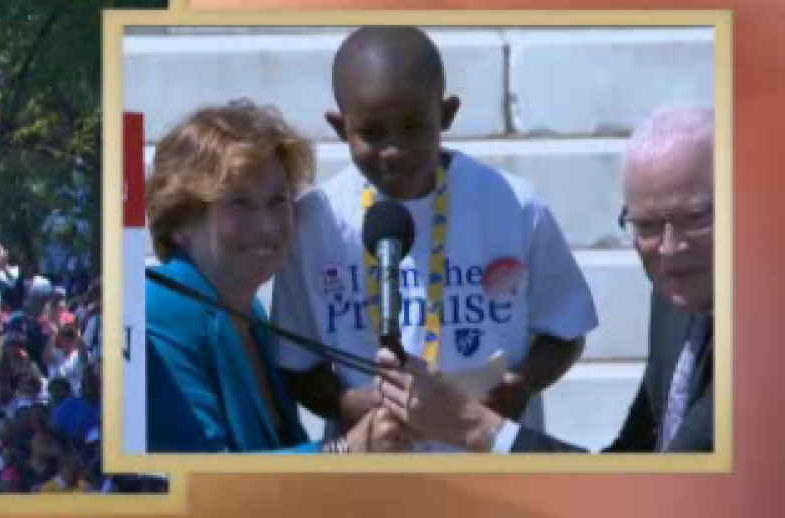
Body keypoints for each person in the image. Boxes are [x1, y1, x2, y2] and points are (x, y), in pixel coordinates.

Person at [273, 26, 598, 452]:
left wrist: (522, 384)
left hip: (489, 469)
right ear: (339, 127)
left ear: (446, 114)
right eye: (371, 132)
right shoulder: (316, 223)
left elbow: (566, 330)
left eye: (413, 127)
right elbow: (296, 365)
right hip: (377, 477)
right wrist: (349, 402)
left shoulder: (513, 206)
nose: (394, 150)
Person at [377, 107, 716, 454]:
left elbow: (676, 473)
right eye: (647, 224)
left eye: (696, 217)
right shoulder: (675, 295)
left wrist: (471, 424)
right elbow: (633, 456)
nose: (670, 248)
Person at [144, 101, 400, 453]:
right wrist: (349, 450)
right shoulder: (157, 309)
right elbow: (201, 474)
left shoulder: (252, 315)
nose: (267, 227)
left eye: (278, 200)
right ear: (179, 220)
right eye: (239, 204)